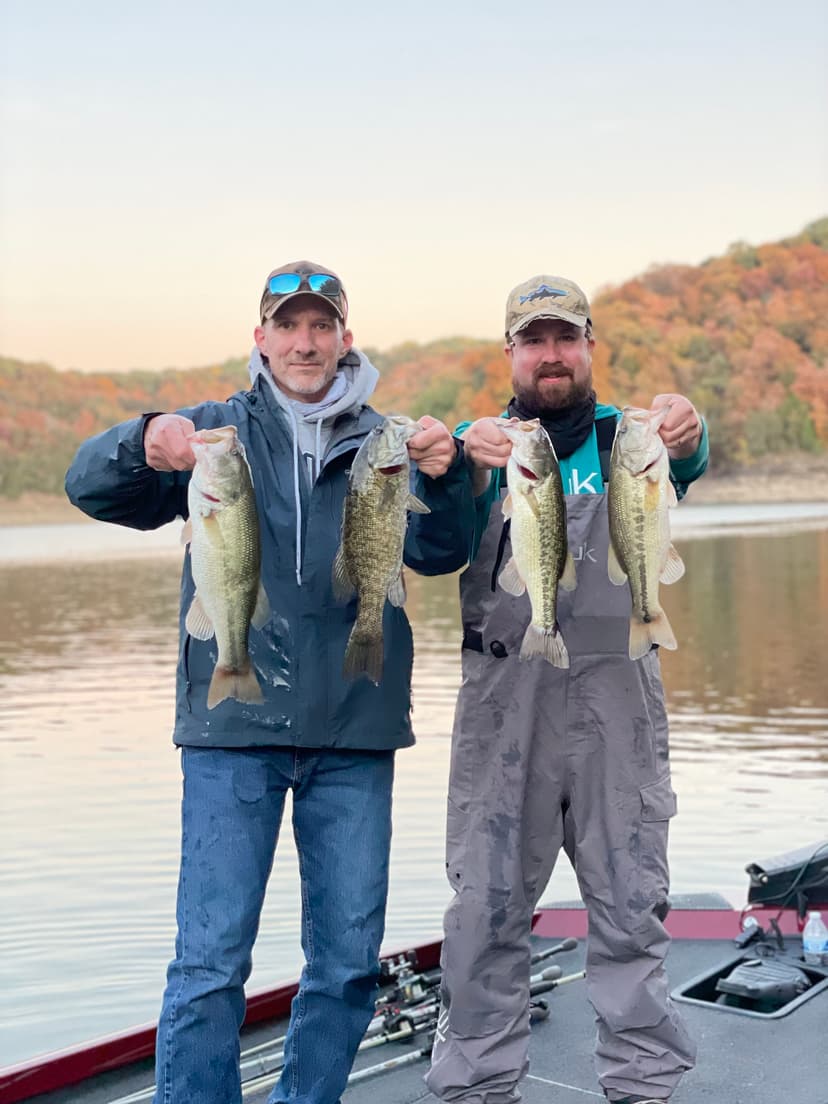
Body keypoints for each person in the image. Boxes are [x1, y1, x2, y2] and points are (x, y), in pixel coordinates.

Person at [65, 260, 474, 1104]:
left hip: (355, 731)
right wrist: (142, 442)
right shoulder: (213, 433)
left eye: (321, 325)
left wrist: (448, 476)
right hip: (229, 735)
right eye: (288, 325)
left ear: (345, 339)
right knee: (211, 961)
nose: (305, 341)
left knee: (350, 960)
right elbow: (88, 488)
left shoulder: (387, 440)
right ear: (260, 339)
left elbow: (441, 553)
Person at [424, 275, 708, 1104]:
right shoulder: (484, 448)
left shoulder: (632, 438)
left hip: (618, 699)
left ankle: (644, 1088)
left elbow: (685, 458)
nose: (552, 355)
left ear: (589, 347)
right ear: (510, 354)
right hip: (504, 710)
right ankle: (476, 1089)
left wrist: (688, 432)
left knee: (630, 906)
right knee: (484, 912)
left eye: (566, 338)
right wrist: (446, 476)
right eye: (534, 340)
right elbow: (436, 549)